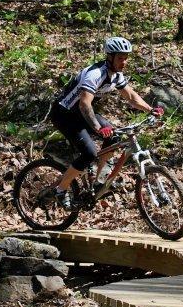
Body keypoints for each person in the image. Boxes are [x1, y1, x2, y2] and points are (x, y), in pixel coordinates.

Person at [50, 37, 164, 206]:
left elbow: (131, 96)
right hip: (64, 114)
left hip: (81, 113)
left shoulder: (116, 75)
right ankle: (60, 190)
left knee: (114, 137)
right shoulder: (95, 74)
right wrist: (97, 127)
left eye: (126, 58)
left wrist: (150, 109)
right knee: (89, 153)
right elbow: (84, 103)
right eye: (120, 58)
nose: (124, 62)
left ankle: (98, 179)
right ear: (110, 57)